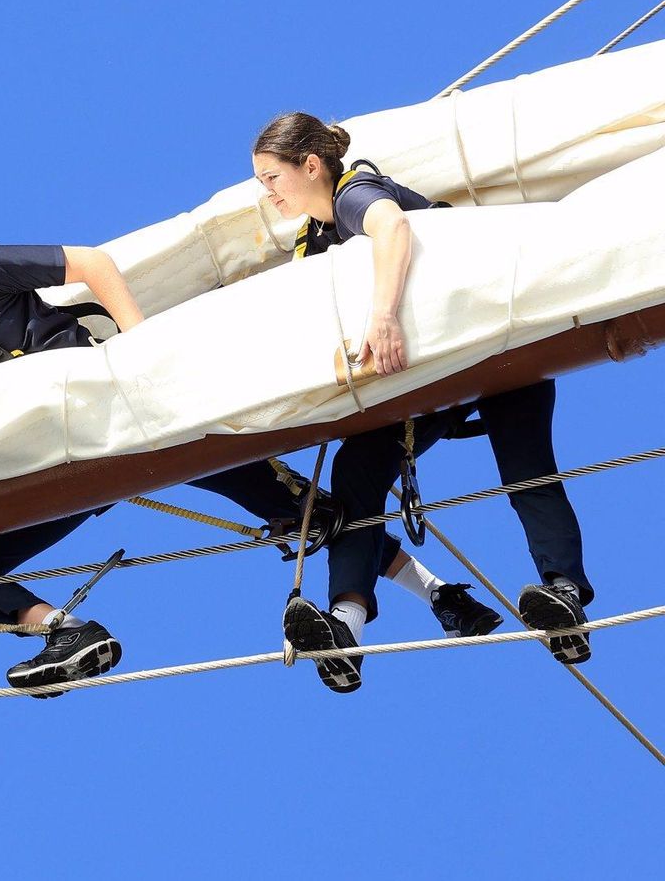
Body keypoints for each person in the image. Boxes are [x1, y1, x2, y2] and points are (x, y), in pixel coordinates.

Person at [0, 220, 495, 690]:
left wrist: (142, 353)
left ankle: (439, 594)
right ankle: (65, 631)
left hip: (128, 414)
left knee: (304, 513)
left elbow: (90, 264)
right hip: (64, 467)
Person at [252, 112, 593, 693]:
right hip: (433, 380)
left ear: (310, 165)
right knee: (358, 469)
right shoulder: (313, 244)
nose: (267, 193)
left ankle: (563, 594)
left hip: (494, 346)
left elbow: (393, 229)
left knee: (526, 467)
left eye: (271, 177)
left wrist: (382, 318)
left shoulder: (355, 193)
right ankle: (346, 625)